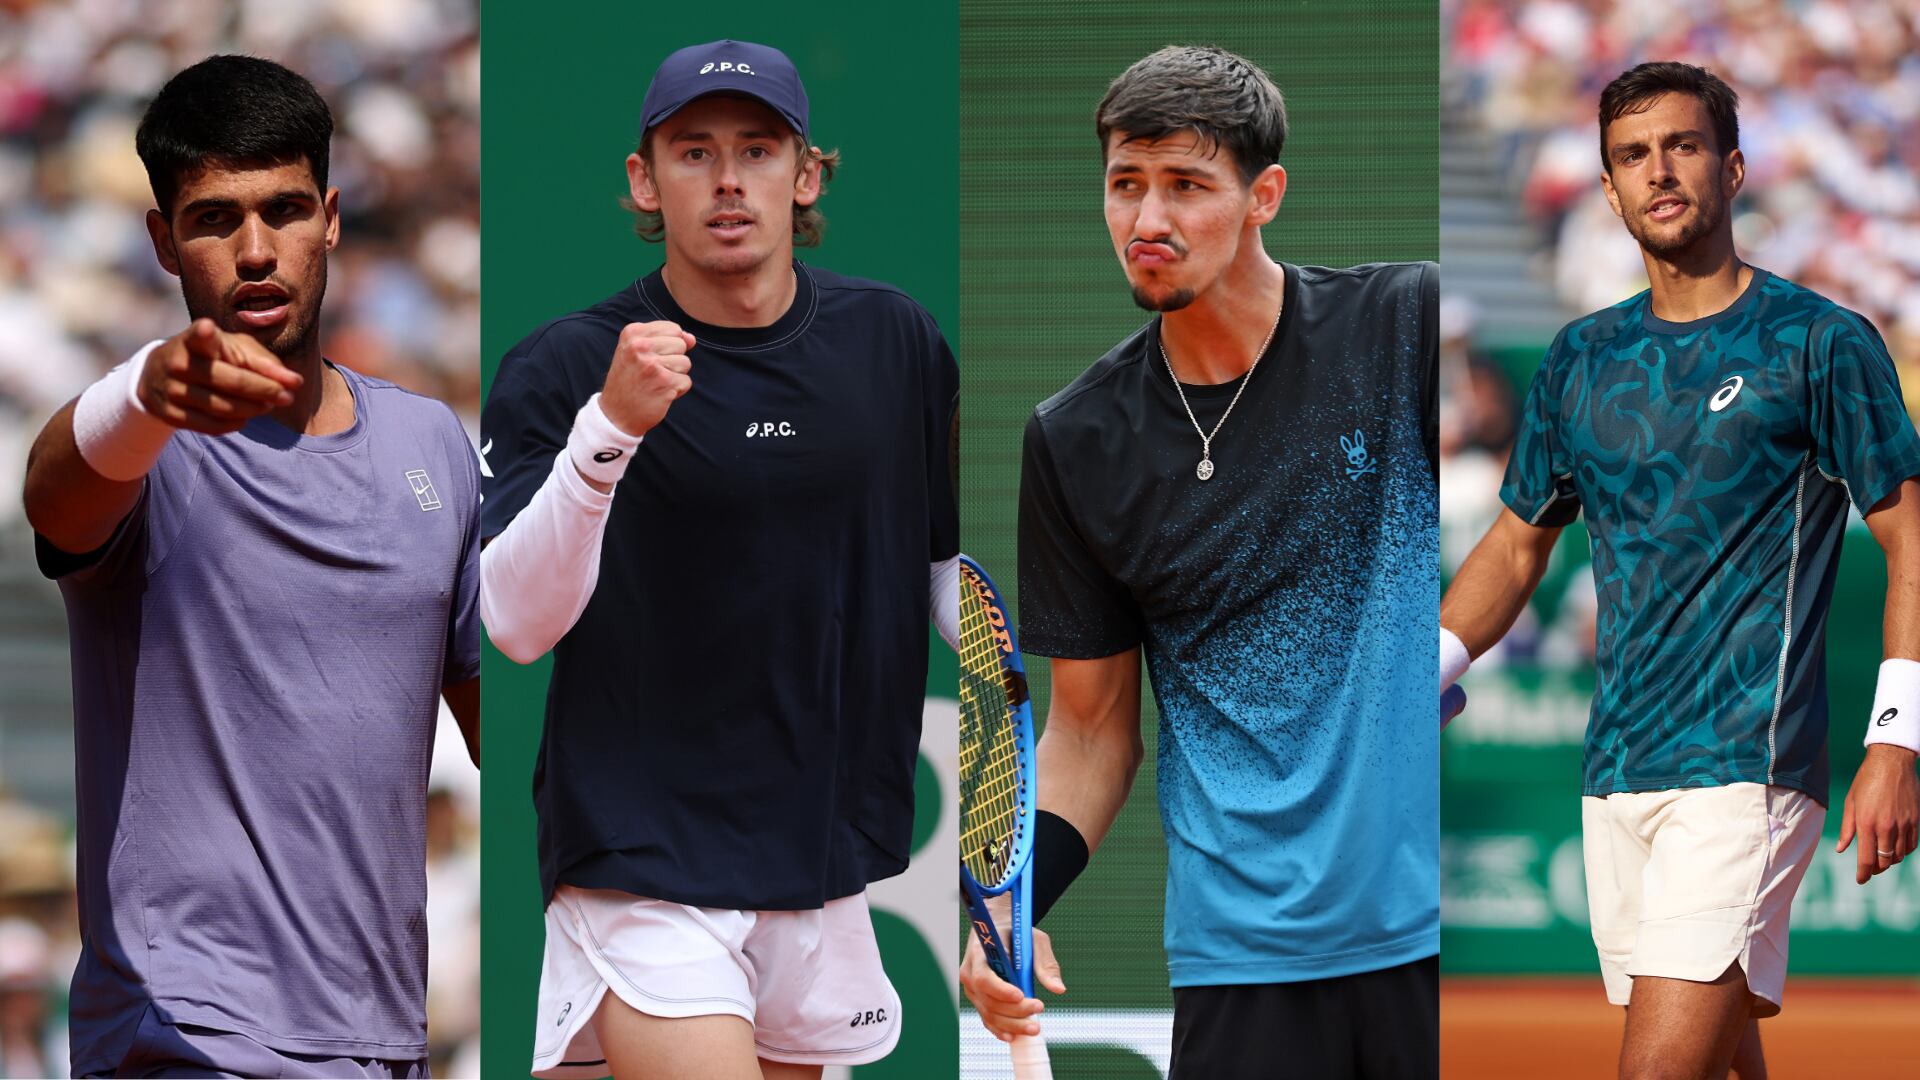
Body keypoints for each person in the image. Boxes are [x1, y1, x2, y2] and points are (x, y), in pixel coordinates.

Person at [476, 39, 958, 1080]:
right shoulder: (567, 364)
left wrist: (1026, 646)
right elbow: (511, 623)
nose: (728, 179)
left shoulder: (897, 342)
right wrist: (609, 430)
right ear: (645, 180)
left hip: (821, 852)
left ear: (807, 174)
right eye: (694, 153)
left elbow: (937, 570)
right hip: (641, 852)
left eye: (758, 150)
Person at [958, 44, 1439, 1079]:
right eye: (1125, 184)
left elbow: (1533, 506)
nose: (1147, 219)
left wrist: (1451, 642)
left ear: (1264, 195)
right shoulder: (1076, 439)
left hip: (1429, 930)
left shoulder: (1403, 327)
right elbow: (1092, 729)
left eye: (1186, 185)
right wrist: (1017, 902)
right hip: (1240, 952)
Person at [1439, 61, 1920, 1080]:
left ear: (1733, 169)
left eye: (1683, 146)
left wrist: (1896, 741)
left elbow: (1909, 540)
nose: (1658, 171)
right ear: (1608, 190)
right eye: (1632, 155)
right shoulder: (1579, 356)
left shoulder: (1821, 342)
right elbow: (1518, 543)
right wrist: (1428, 665)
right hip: (1616, 771)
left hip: (1745, 766)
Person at [21, 55, 480, 1078]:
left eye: (284, 210)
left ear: (331, 218)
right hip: (182, 1037)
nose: (258, 251)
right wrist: (145, 393)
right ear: (163, 242)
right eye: (215, 219)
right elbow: (54, 492)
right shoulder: (138, 441)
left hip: (382, 1039)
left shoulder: (432, 444)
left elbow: (506, 726)